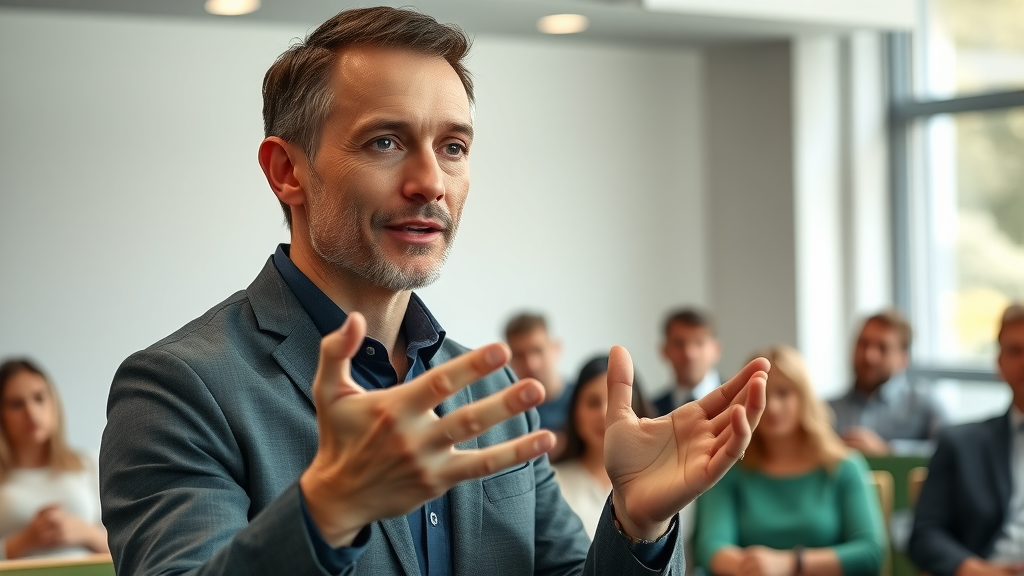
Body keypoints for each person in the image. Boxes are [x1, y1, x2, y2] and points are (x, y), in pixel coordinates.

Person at [99, 7, 769, 576]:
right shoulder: (181, 389)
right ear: (286, 172)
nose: (430, 181)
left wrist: (637, 526)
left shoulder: (493, 399)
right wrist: (326, 513)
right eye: (386, 141)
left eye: (452, 146)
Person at [695, 345, 885, 576]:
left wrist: (790, 564)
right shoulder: (727, 467)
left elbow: (870, 553)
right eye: (761, 395)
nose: (772, 407)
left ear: (804, 397)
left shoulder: (844, 466)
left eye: (784, 393)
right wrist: (754, 568)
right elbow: (711, 547)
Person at [909, 304, 1024, 576]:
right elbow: (925, 534)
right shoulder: (960, 443)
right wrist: (975, 570)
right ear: (999, 364)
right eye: (1016, 351)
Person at [0, 358, 109, 560]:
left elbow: (128, 544)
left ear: (53, 402)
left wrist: (84, 533)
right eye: (16, 404)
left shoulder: (89, 464)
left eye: (39, 398)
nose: (31, 413)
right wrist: (23, 542)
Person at [553, 355, 655, 539]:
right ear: (575, 412)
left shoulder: (663, 480)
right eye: (592, 402)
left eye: (617, 403)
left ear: (638, 408)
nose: (603, 413)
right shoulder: (552, 482)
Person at [829, 310, 948, 455]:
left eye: (883, 348)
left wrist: (888, 451)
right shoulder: (826, 410)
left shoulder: (925, 404)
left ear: (904, 359)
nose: (869, 356)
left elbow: (949, 452)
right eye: (863, 344)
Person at [505, 312, 574, 432]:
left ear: (556, 348)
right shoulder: (508, 410)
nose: (531, 364)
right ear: (508, 358)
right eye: (519, 355)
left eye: (537, 350)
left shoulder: (584, 401)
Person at [654, 308, 722, 416]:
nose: (689, 353)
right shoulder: (648, 412)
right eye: (679, 343)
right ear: (664, 351)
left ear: (716, 350)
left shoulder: (739, 401)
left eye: (699, 342)